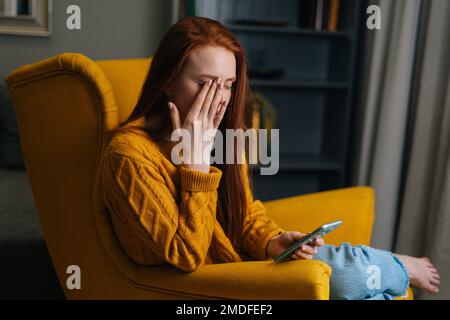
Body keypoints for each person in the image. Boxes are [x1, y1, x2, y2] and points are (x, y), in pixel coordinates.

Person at [98, 16, 440, 300]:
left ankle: (390, 268)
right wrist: (196, 165)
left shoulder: (225, 138)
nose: (220, 99)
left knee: (375, 295)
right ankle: (401, 266)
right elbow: (187, 255)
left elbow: (244, 216)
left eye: (229, 85)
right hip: (216, 287)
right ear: (169, 83)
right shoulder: (129, 156)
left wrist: (271, 241)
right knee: (351, 279)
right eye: (205, 83)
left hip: (250, 264)